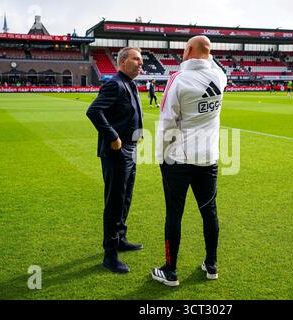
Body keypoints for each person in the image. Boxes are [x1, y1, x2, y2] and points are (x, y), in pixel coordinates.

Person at [152, 35, 227, 287]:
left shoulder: (178, 79)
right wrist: (206, 51)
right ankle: (211, 265)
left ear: (187, 50)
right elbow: (212, 61)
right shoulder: (219, 78)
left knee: (174, 213)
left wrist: (160, 156)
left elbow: (166, 123)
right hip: (209, 159)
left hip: (179, 160)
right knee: (209, 212)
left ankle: (170, 271)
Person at [86, 47, 144, 274]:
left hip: (130, 150)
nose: (141, 63)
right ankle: (110, 254)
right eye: (136, 59)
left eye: (141, 60)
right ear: (122, 61)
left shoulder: (130, 84)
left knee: (125, 198)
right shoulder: (115, 83)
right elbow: (93, 111)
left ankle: (120, 239)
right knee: (114, 203)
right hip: (117, 153)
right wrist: (113, 136)